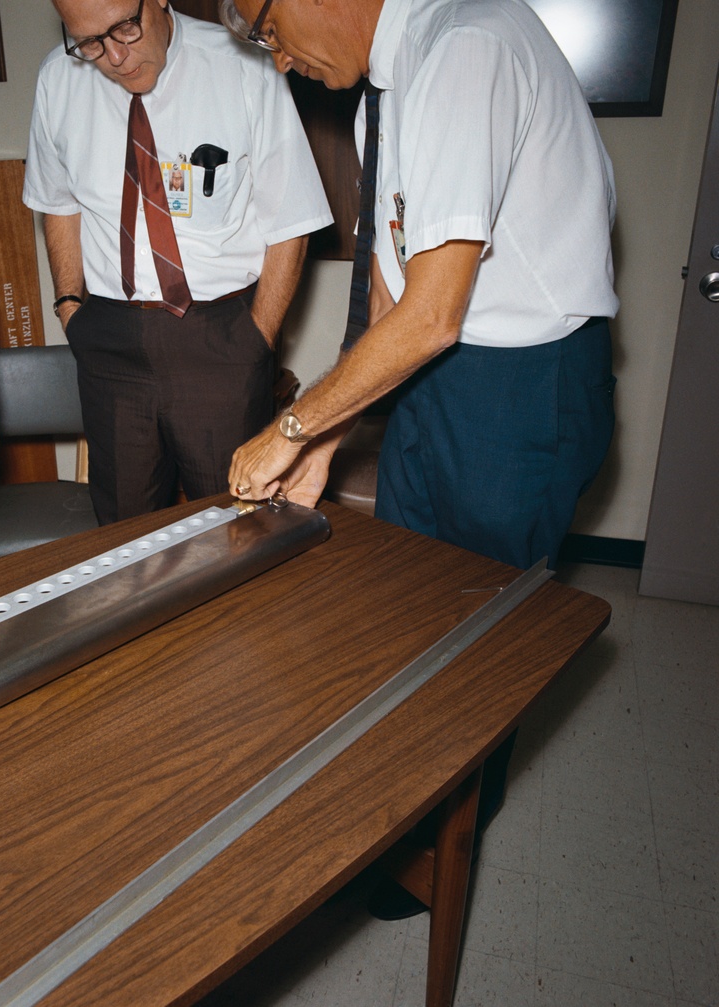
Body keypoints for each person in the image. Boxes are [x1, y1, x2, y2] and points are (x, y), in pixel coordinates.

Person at [219, 0, 618, 916]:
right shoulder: (386, 88)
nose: (278, 61)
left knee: (480, 638)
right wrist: (326, 439)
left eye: (267, 30)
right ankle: (401, 814)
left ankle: (445, 843)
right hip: (440, 374)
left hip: (519, 386)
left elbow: (433, 313)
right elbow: (397, 297)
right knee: (400, 618)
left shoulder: (464, 45)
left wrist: (285, 426)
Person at [23, 0, 333, 524]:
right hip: (109, 342)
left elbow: (291, 219)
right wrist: (70, 306)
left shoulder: (244, 64)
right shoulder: (58, 78)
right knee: (122, 543)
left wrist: (257, 338)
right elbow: (58, 204)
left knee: (239, 528)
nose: (115, 57)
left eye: (125, 27)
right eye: (90, 43)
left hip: (219, 343)